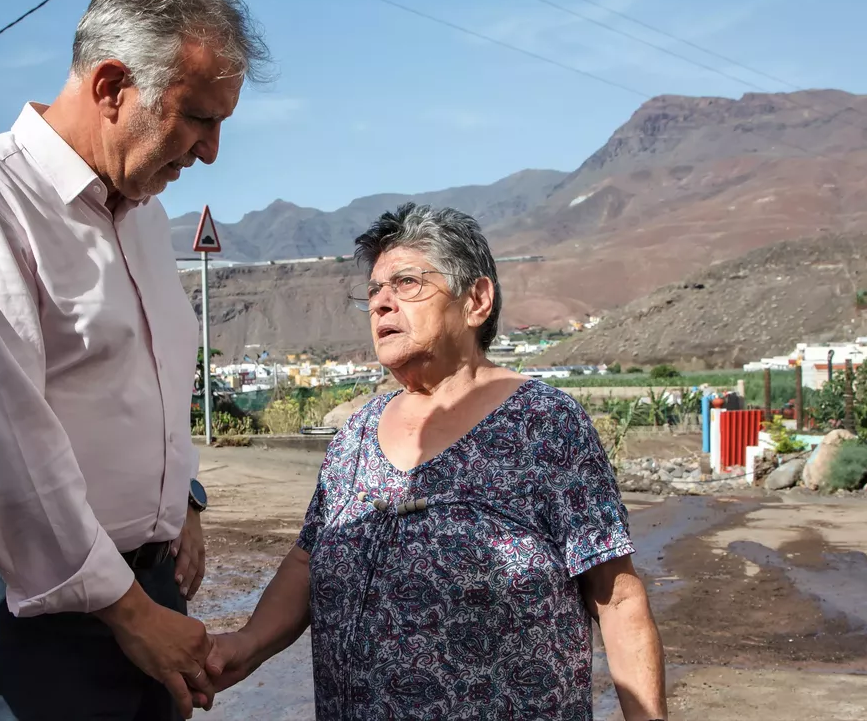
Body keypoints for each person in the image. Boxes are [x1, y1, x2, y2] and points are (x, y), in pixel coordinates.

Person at [206, 203, 669, 720]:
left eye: (406, 283)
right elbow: (307, 561)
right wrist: (246, 644)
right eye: (374, 291)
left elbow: (617, 599)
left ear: (476, 300)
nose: (381, 303)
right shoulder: (356, 435)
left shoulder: (544, 424)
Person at [0, 0, 270, 719]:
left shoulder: (141, 215)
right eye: (199, 118)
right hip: (35, 613)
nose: (211, 152)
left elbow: (149, 381)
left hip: (148, 592)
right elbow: (1, 445)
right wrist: (130, 613)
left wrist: (184, 502)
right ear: (111, 87)